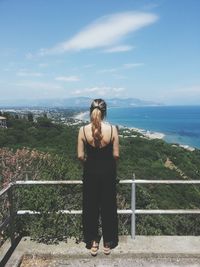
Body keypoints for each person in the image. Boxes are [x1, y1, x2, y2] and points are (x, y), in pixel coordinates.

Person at [77, 98, 119, 256]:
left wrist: (88, 165)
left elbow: (80, 156)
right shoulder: (113, 129)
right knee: (108, 207)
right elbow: (116, 155)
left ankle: (93, 241)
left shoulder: (82, 130)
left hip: (90, 174)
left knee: (90, 207)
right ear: (105, 112)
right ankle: (108, 242)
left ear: (90, 111)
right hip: (108, 174)